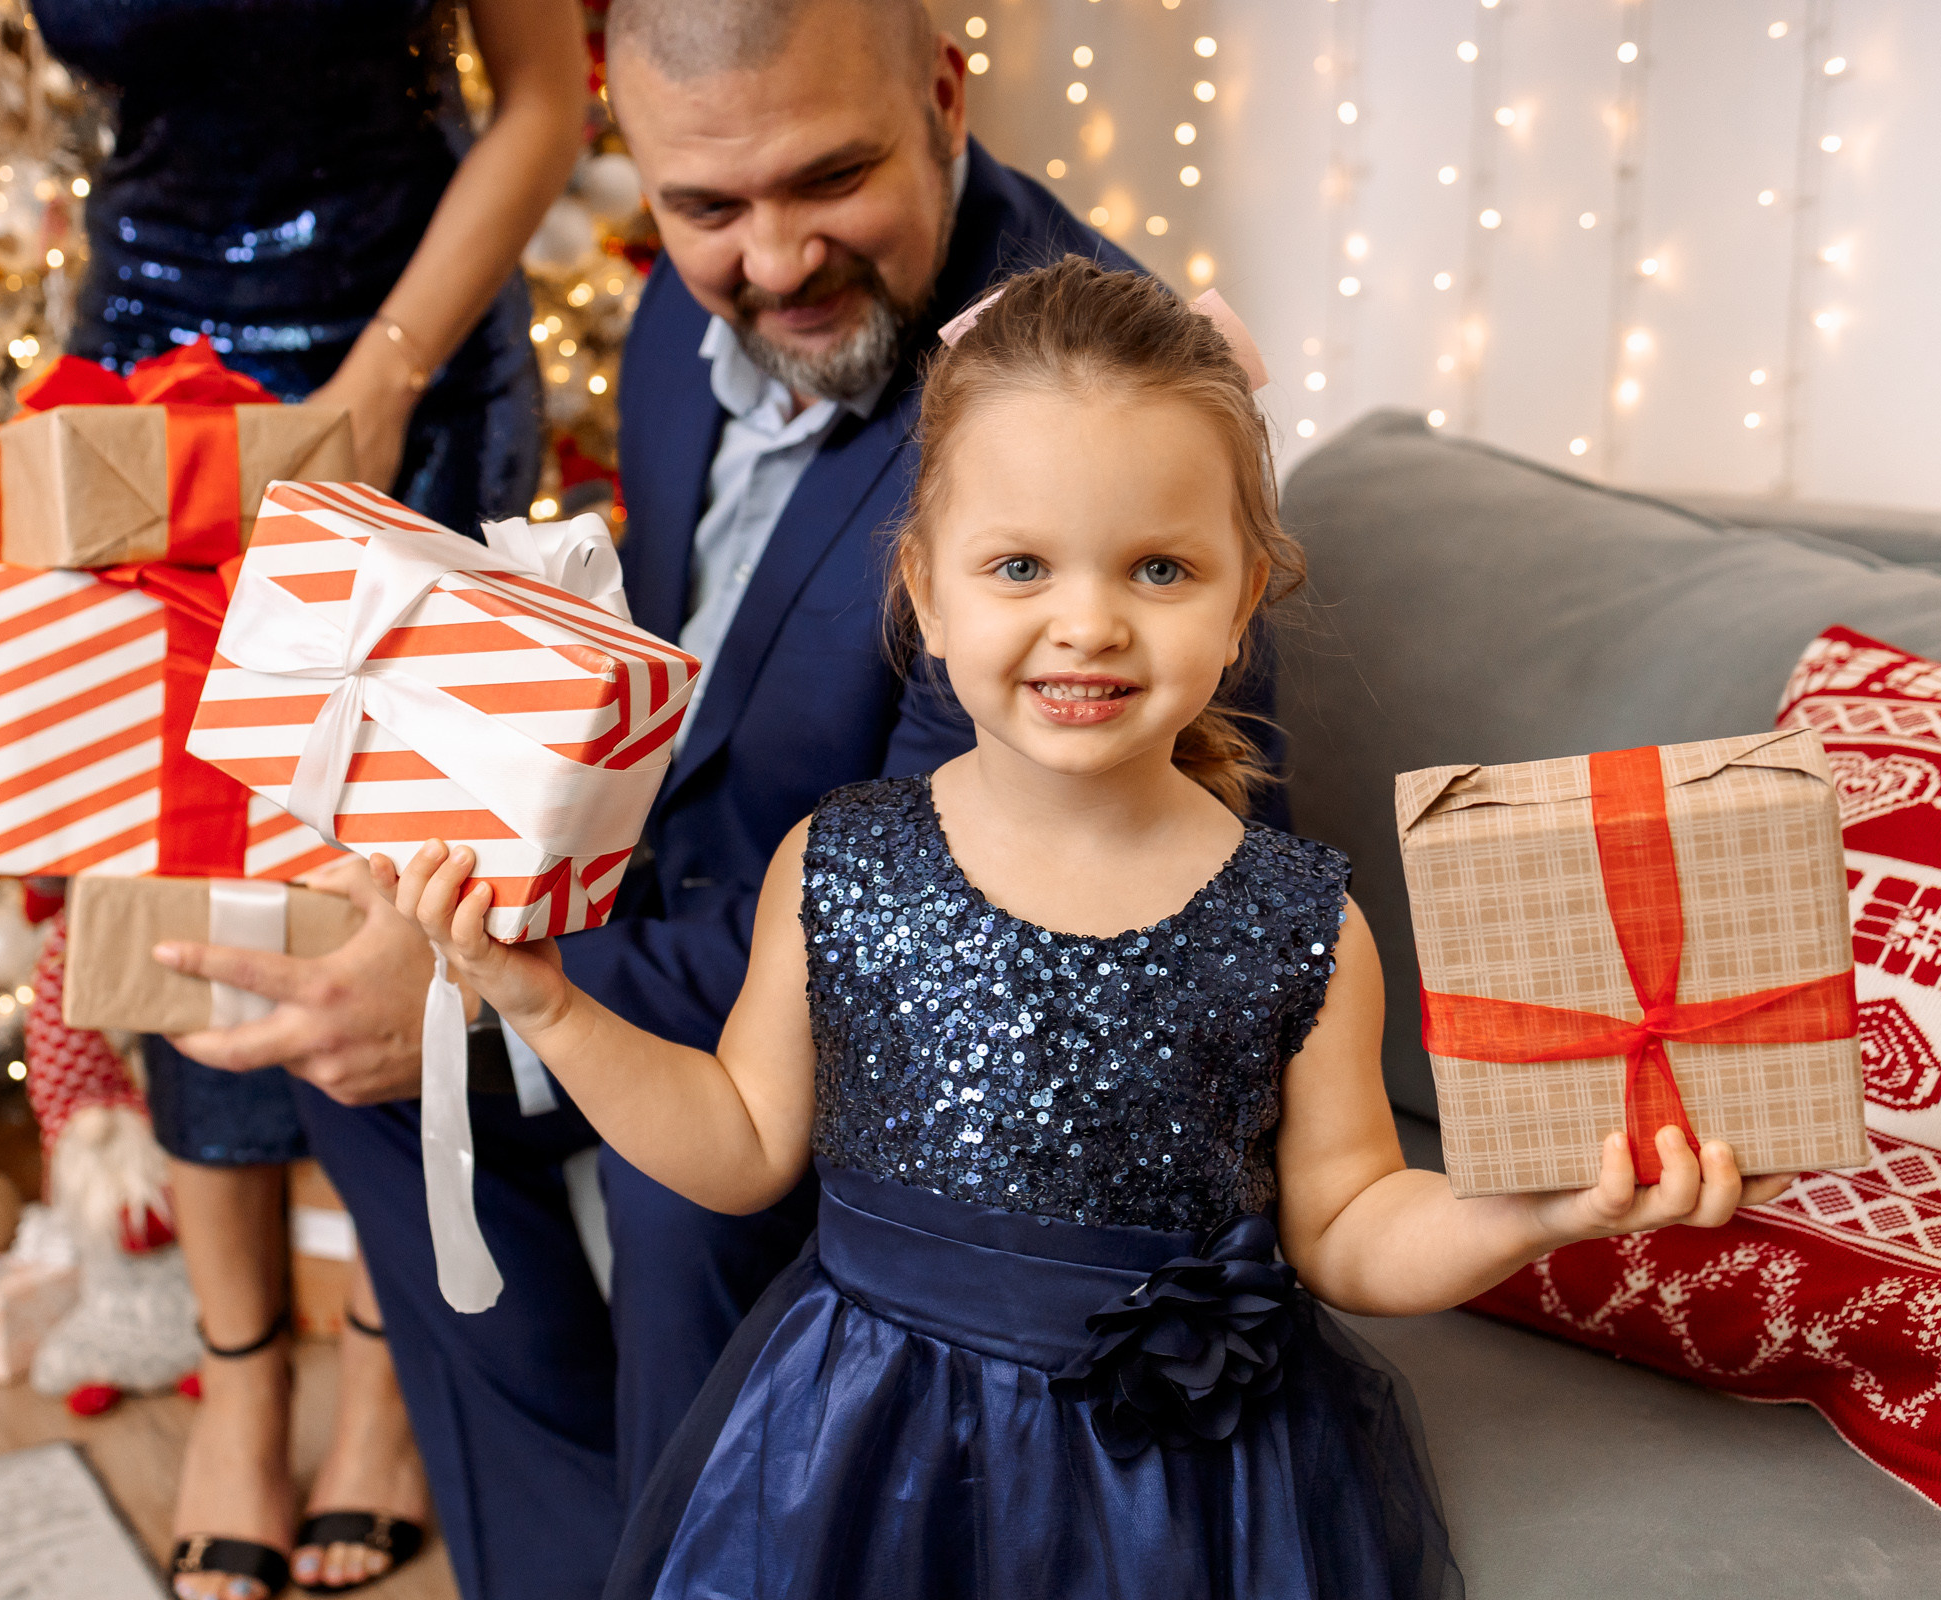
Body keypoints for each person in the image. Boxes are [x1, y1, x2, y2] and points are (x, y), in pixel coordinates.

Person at [386, 256, 1804, 1598]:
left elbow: (1355, 1226)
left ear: (1245, 595)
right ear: (924, 594)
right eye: (1020, 569)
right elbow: (743, 1146)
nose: (1088, 625)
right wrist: (548, 1003)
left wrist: (1544, 1204)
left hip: (1169, 1498)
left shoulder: (1302, 923)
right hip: (863, 1456)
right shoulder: (842, 864)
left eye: (1158, 571)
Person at [147, 1, 1246, 1594]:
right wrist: (442, 897)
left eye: (831, 180)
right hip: (714, 911)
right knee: (347, 1051)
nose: (777, 262)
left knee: (672, 1188)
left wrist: (501, 993)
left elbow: (949, 922)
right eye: (708, 208)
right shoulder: (678, 318)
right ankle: (587, 1558)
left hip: (964, 1016)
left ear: (945, 92)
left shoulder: (1090, 417)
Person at [0, 3, 590, 1594]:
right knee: (178, 906)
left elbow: (543, 103)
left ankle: (384, 1398)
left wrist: (383, 382)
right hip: (151, 392)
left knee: (394, 907)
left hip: (414, 356)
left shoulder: (409, 366)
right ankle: (245, 1387)